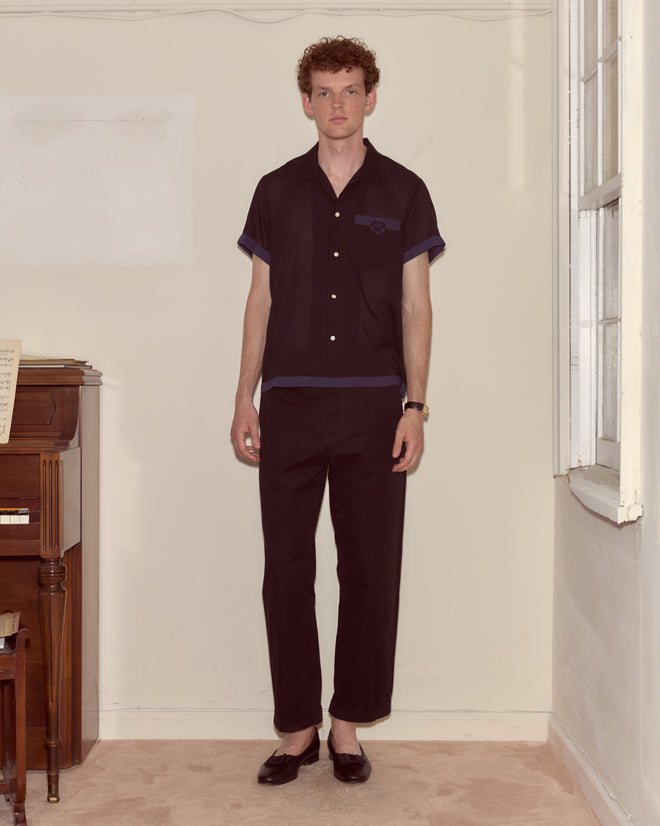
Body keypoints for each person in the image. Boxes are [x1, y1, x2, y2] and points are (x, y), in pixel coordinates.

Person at [230, 35, 445, 785]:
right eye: (323, 91)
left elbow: (418, 307)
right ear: (305, 101)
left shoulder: (404, 190)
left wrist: (415, 405)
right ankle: (297, 730)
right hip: (288, 404)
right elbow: (259, 302)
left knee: (369, 568)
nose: (337, 105)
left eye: (350, 90)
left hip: (375, 408)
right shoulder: (275, 189)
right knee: (285, 569)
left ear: (371, 96)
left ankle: (347, 726)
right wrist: (243, 395)